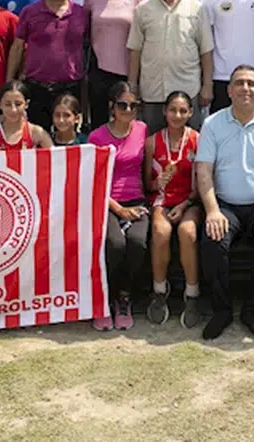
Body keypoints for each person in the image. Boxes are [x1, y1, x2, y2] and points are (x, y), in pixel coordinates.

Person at [195, 65, 254, 340]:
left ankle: (252, 310)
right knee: (212, 242)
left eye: (251, 84)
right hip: (225, 205)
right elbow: (203, 170)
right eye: (239, 83)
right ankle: (221, 310)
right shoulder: (213, 124)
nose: (245, 88)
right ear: (229, 90)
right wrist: (211, 211)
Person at [87, 82, 150, 331]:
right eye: (122, 104)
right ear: (112, 106)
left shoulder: (143, 130)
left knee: (137, 243)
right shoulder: (97, 136)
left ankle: (123, 297)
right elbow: (93, 179)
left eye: (133, 105)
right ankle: (105, 298)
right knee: (115, 244)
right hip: (105, 201)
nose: (128, 109)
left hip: (136, 199)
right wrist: (119, 210)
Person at [126, 0, 214, 132]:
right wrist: (132, 87)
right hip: (153, 91)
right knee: (152, 144)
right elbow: (135, 50)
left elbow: (206, 51)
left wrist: (207, 87)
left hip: (188, 90)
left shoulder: (196, 8)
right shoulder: (143, 9)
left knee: (191, 145)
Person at [145, 91, 203, 328]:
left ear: (190, 113)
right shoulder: (152, 141)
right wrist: (157, 183)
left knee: (187, 232)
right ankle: (159, 291)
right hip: (162, 200)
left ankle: (192, 293)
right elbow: (147, 183)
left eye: (182, 110)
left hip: (190, 200)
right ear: (164, 111)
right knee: (160, 232)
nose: (177, 115)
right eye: (172, 110)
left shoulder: (198, 140)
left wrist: (185, 204)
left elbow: (203, 183)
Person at [8, 0, 88, 127]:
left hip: (70, 88)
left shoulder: (82, 13)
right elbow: (17, 47)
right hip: (37, 87)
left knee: (67, 140)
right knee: (39, 141)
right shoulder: (30, 12)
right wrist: (9, 80)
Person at [85, 0, 145, 128]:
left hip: (127, 71)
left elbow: (141, 38)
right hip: (98, 71)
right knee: (98, 122)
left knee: (126, 121)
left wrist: (135, 78)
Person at [0, 80, 53, 151]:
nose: (13, 110)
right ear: (0, 104)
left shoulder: (37, 132)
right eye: (8, 104)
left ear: (26, 104)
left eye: (18, 104)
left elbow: (55, 158)